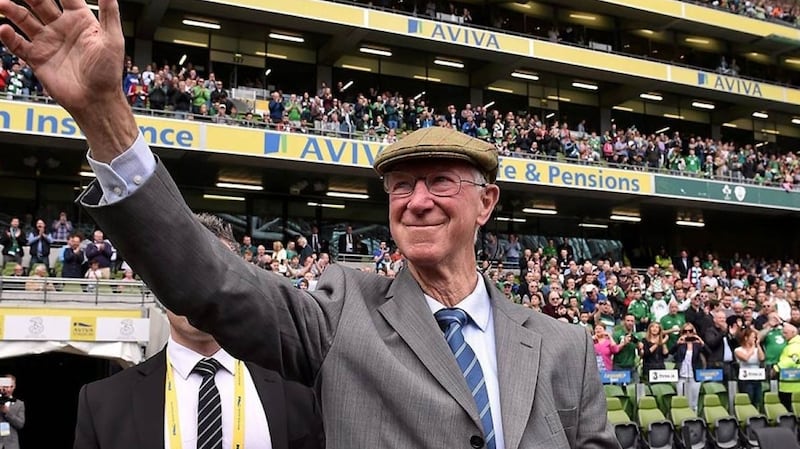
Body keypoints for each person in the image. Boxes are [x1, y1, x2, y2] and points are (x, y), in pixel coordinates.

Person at [0, 2, 617, 448]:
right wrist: (106, 113)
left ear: (487, 203)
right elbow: (210, 283)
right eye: (402, 186)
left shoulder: (563, 348)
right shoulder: (341, 312)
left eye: (440, 183)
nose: (418, 200)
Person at [73, 213, 324, 449]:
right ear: (157, 284)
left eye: (215, 275)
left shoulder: (298, 393)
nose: (200, 292)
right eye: (184, 274)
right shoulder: (103, 404)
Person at [670, 323, 705, 411]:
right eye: (685, 331)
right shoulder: (681, 344)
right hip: (681, 375)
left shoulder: (697, 345)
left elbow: (708, 353)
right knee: (681, 398)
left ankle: (694, 419)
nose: (688, 333)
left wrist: (701, 341)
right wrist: (678, 343)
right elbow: (669, 353)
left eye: (690, 331)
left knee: (694, 401)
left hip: (694, 375)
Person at [734, 327, 765, 409]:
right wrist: (753, 347)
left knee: (757, 399)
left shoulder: (756, 349)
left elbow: (762, 358)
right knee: (748, 399)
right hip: (745, 379)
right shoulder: (738, 350)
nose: (754, 339)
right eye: (753, 337)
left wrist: (758, 345)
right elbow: (746, 358)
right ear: (746, 338)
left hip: (757, 377)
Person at [775, 323, 800, 412]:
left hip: (792, 386)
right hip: (790, 384)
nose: (783, 335)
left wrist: (776, 367)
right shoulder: (791, 344)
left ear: (793, 333)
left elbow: (793, 359)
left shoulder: (795, 345)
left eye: (785, 333)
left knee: (790, 411)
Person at [0, 374, 24, 449]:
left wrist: (8, 413)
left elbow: (20, 424)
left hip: (11, 445)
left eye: (11, 386)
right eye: (6, 386)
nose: (9, 389)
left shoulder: (19, 404)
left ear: (15, 386)